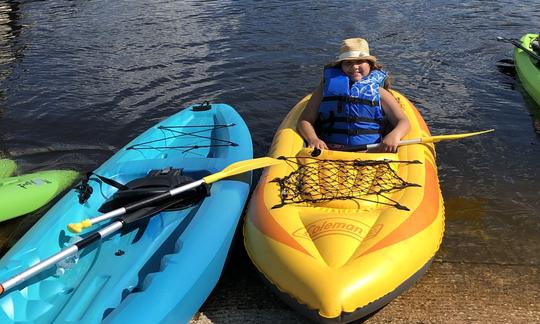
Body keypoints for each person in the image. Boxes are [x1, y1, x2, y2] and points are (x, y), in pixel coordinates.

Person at [297, 38, 410, 153]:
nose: (354, 67)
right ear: (341, 66)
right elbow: (305, 120)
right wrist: (313, 139)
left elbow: (403, 121)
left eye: (360, 61)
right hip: (329, 152)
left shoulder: (379, 92)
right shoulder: (324, 90)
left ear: (370, 65)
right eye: (348, 63)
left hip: (370, 152)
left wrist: (394, 135)